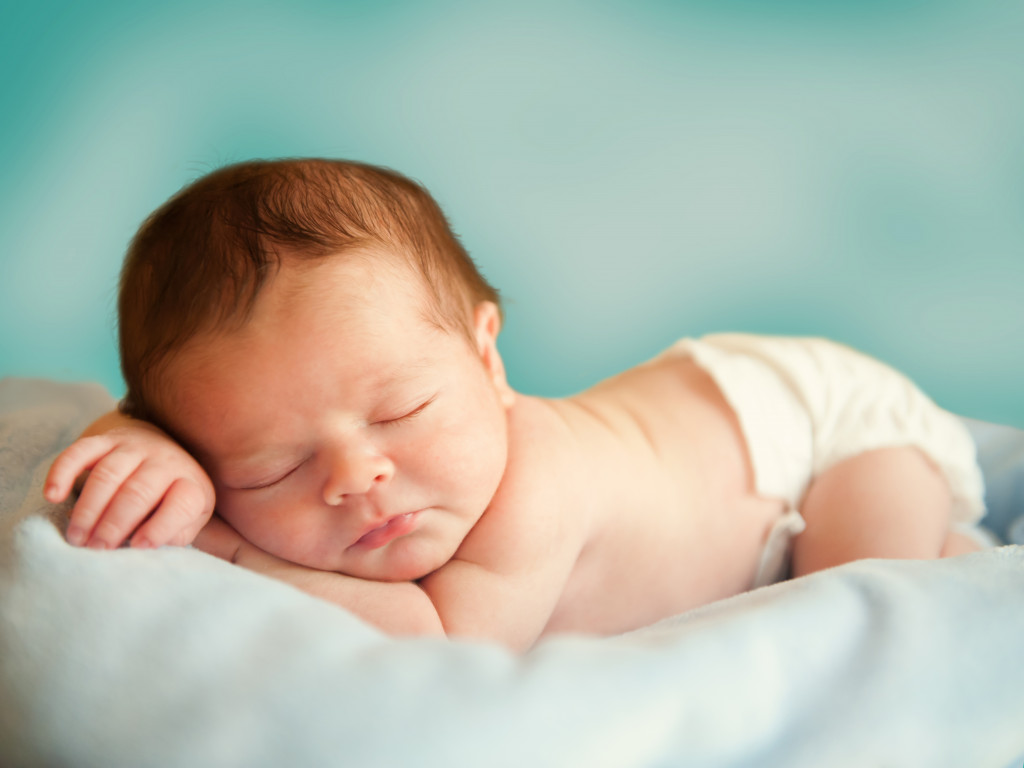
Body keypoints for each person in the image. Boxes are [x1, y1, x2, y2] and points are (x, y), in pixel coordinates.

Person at [44, 158, 987, 652]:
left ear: (487, 357)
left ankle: (963, 554)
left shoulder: (536, 486)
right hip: (703, 411)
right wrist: (136, 445)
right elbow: (153, 434)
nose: (356, 476)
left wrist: (226, 540)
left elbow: (441, 639)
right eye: (270, 467)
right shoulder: (312, 451)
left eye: (403, 409)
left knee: (865, 598)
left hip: (816, 429)